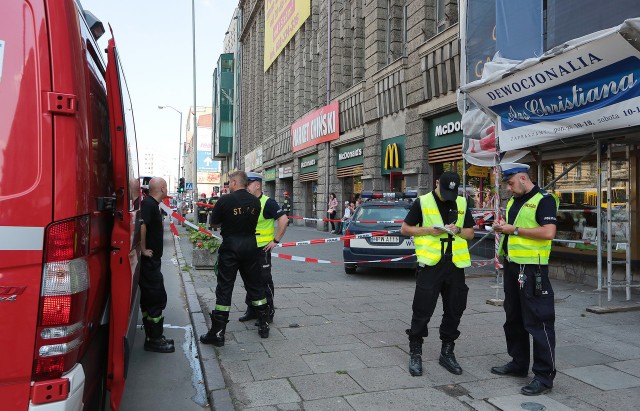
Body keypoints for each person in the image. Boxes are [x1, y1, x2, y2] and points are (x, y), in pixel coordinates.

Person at [491, 163, 558, 396]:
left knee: (539, 321)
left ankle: (544, 376)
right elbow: (513, 229)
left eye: (510, 183)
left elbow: (549, 232)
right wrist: (501, 228)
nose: (509, 189)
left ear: (522, 178)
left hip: (534, 269)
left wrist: (514, 230)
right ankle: (518, 364)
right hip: (513, 266)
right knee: (514, 318)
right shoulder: (513, 201)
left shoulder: (544, 199)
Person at [400, 172, 475, 377]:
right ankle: (416, 352)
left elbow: (470, 233)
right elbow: (405, 229)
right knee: (422, 310)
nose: (448, 196)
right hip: (431, 266)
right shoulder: (422, 202)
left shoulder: (461, 201)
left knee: (454, 309)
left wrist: (458, 229)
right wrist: (428, 231)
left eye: (452, 192)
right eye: (445, 191)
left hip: (455, 265)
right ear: (436, 184)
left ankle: (447, 352)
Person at [199, 171, 270, 346]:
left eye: (229, 182)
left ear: (235, 183)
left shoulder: (224, 200)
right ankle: (264, 324)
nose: (228, 185)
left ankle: (218, 332)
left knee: (225, 287)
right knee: (254, 284)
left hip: (231, 247)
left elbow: (214, 224)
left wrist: (228, 222)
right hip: (251, 246)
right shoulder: (255, 201)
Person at [238, 172, 289, 324]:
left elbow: (284, 219)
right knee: (249, 280)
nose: (246, 187)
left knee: (264, 281)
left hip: (262, 249)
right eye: (245, 184)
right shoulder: (246, 201)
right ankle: (252, 310)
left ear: (258, 185)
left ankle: (268, 313)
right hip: (248, 247)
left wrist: (276, 240)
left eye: (249, 184)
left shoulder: (268, 202)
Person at [140, 177, 175, 353]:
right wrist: (143, 249)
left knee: (149, 299)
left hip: (153, 261)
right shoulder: (149, 204)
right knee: (156, 297)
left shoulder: (151, 204)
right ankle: (154, 339)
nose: (167, 189)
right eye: (166, 187)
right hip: (150, 261)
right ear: (162, 188)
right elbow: (143, 226)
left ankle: (151, 334)